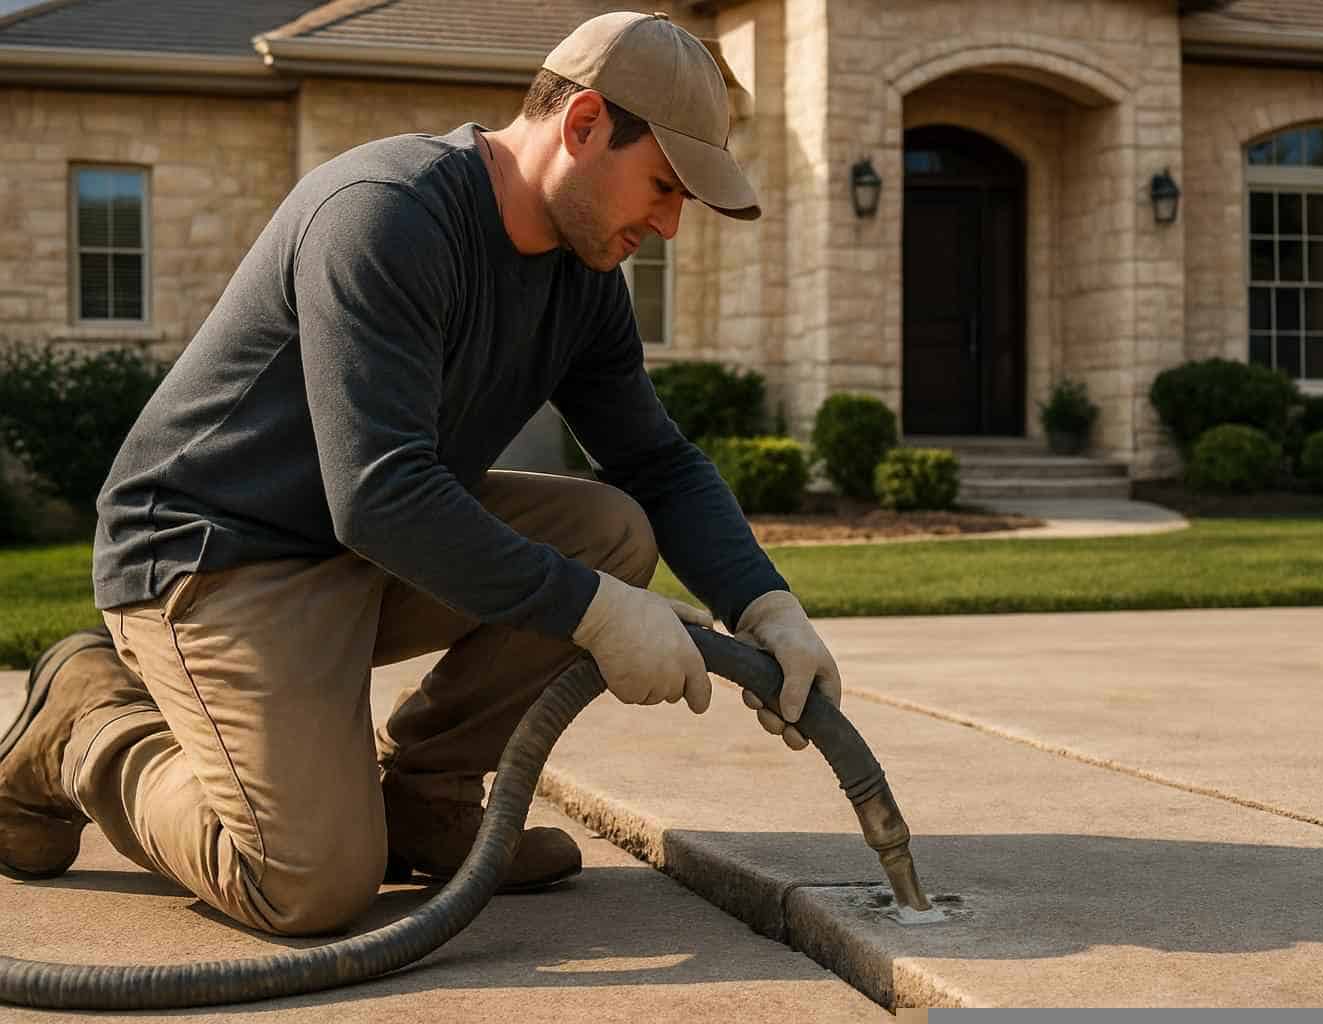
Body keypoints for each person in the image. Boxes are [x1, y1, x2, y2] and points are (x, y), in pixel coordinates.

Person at [0, 11, 841, 937]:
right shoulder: (385, 212)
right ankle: (86, 723)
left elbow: (656, 463)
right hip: (212, 556)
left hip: (357, 545)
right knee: (305, 883)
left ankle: (427, 795)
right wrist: (596, 613)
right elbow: (380, 494)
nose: (671, 225)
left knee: (614, 530)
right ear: (585, 122)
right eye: (664, 186)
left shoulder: (583, 276)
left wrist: (766, 606)